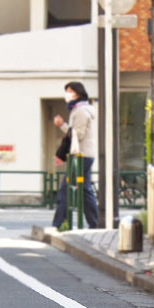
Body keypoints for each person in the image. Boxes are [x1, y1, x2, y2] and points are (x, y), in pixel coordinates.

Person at [52, 81, 99, 229]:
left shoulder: (79, 111)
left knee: (66, 189)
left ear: (78, 93)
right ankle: (94, 223)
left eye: (70, 91)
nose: (67, 94)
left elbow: (77, 135)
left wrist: (62, 125)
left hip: (80, 156)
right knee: (85, 190)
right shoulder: (82, 109)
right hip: (86, 154)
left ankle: (59, 223)